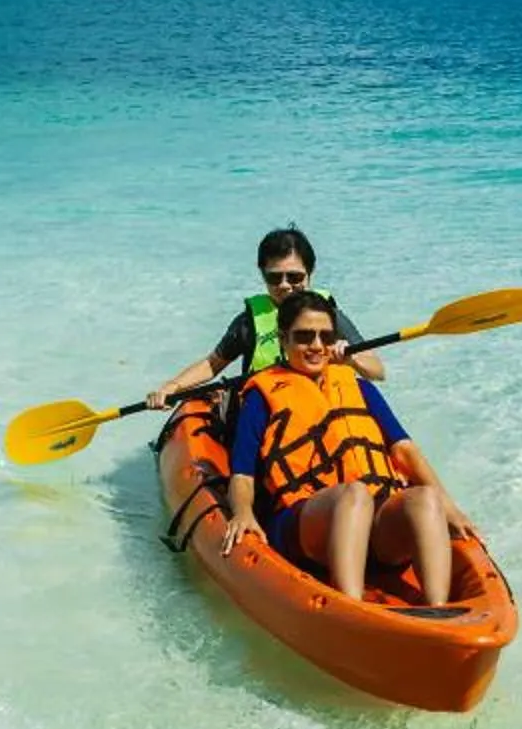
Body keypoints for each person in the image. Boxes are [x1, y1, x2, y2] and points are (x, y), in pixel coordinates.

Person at [217, 290, 474, 604]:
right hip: (304, 525)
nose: (315, 346)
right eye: (304, 337)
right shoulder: (262, 396)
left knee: (424, 498)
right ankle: (351, 607)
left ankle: (438, 610)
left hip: (373, 527)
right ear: (284, 340)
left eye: (325, 337)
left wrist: (449, 508)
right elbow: (242, 474)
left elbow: (404, 449)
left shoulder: (357, 385)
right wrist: (242, 512)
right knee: (353, 494)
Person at [148, 226, 384, 411]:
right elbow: (212, 364)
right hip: (267, 415)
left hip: (323, 409)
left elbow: (377, 372)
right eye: (274, 278)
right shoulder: (249, 322)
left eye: (294, 276)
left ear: (310, 273)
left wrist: (351, 360)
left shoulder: (328, 316)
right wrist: (173, 386)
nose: (284, 286)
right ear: (263, 275)